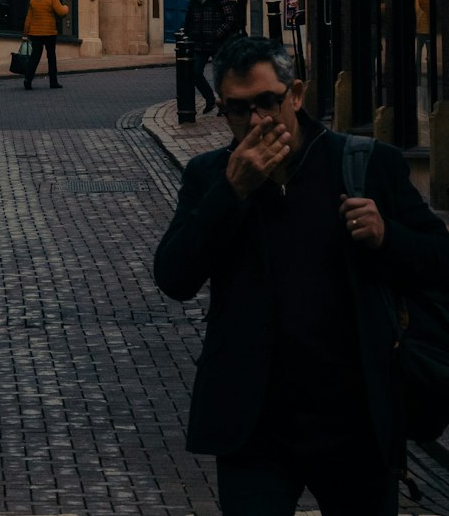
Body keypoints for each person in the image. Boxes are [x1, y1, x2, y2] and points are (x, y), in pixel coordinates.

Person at [154, 34, 449, 516]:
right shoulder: (211, 175)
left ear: (295, 94)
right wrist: (232, 192)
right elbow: (174, 277)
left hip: (356, 425)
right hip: (255, 430)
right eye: (237, 109)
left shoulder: (367, 165)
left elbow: (440, 259)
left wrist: (387, 236)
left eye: (267, 102)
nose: (255, 121)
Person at [182, 0, 236, 114]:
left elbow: (230, 19)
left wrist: (217, 34)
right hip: (200, 44)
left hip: (218, 44)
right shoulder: (194, 1)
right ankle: (209, 99)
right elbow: (188, 21)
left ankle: (223, 104)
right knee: (195, 73)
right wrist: (189, 36)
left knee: (220, 75)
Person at [21, 0, 69, 89]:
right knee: (51, 57)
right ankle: (53, 82)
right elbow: (61, 12)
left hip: (35, 33)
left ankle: (28, 80)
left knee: (34, 57)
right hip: (49, 33)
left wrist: (25, 33)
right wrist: (66, 7)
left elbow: (29, 17)